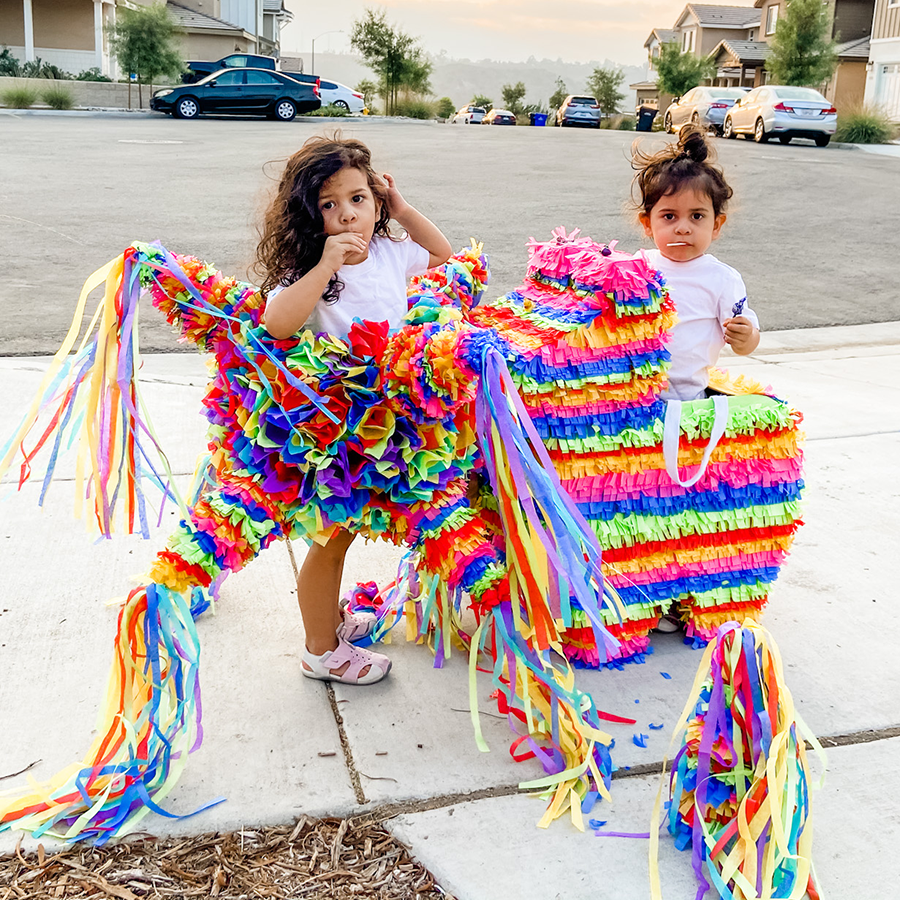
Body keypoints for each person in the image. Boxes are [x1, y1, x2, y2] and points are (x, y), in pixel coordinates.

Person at [256, 134, 452, 684]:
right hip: (334, 431)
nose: (347, 215)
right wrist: (323, 268)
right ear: (309, 216)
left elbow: (444, 256)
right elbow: (277, 323)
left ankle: (331, 626)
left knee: (348, 530)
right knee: (331, 536)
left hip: (383, 425)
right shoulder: (313, 272)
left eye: (359, 199)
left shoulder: (392, 251)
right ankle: (320, 651)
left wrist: (405, 210)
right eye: (329, 205)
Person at [632, 125, 760, 402]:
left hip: (690, 402)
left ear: (717, 224)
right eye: (669, 216)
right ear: (647, 223)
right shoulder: (635, 269)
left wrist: (745, 336)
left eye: (697, 216)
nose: (683, 228)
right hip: (632, 400)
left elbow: (746, 341)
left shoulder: (721, 279)